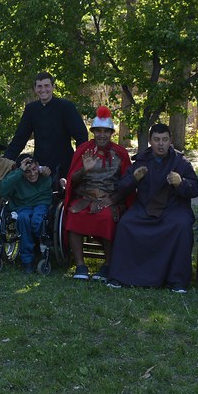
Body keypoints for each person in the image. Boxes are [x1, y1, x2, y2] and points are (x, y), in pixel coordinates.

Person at [109, 123, 198, 291]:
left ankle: (177, 280)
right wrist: (134, 179)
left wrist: (181, 183)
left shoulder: (181, 162)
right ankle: (121, 276)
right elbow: (121, 187)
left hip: (173, 209)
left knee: (181, 226)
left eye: (165, 140)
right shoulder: (141, 160)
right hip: (144, 208)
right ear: (150, 141)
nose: (161, 144)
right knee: (126, 224)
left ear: (170, 141)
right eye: (157, 140)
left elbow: (195, 189)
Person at [62, 107, 130, 280]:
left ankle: (108, 265)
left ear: (111, 133)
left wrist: (112, 199)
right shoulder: (84, 150)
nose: (101, 135)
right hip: (85, 198)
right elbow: (73, 181)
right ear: (93, 132)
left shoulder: (120, 154)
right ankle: (80, 265)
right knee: (73, 215)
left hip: (110, 199)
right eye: (98, 131)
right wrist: (84, 170)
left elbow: (127, 184)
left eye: (105, 131)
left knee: (106, 217)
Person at [4, 72, 88, 183]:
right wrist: (4, 162)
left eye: (46, 85)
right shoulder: (31, 109)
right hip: (40, 166)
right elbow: (20, 138)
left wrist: (79, 163)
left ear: (53, 87)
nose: (43, 89)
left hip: (64, 165)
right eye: (39, 86)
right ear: (35, 89)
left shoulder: (66, 107)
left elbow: (81, 135)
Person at [0, 153, 53, 273]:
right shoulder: (16, 177)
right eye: (27, 171)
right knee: (23, 218)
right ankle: (27, 260)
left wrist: (42, 170)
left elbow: (52, 182)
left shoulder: (44, 174)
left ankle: (40, 244)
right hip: (22, 206)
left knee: (37, 220)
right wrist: (20, 172)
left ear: (37, 166)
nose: (32, 174)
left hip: (41, 204)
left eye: (34, 169)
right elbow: (2, 191)